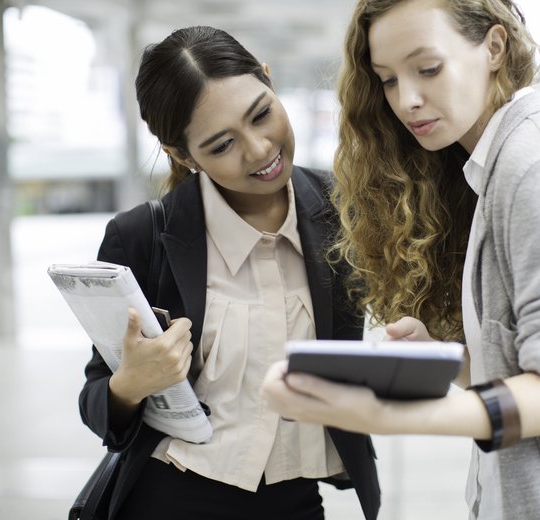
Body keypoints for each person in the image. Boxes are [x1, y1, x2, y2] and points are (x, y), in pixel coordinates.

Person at [261, 1, 540, 518]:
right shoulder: (499, 166)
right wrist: (442, 361)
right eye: (388, 80)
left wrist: (389, 414)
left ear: (494, 47)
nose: (407, 100)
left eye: (428, 68)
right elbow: (534, 366)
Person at [78, 25, 380, 520]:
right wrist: (131, 382)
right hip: (168, 501)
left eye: (261, 114)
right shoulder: (140, 238)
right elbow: (96, 400)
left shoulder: (345, 211)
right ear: (182, 155)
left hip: (298, 502)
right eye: (222, 145)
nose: (259, 150)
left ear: (269, 79)